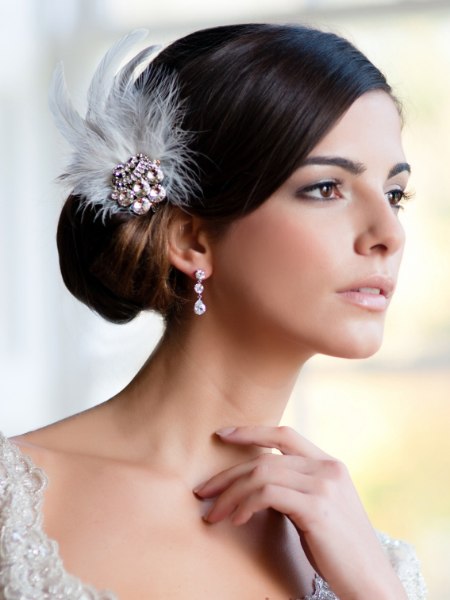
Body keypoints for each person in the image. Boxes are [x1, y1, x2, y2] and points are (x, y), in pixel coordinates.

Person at [0, 23, 426, 600]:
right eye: (327, 188)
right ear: (191, 239)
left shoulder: (375, 564)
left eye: (395, 194)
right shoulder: (11, 508)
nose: (388, 234)